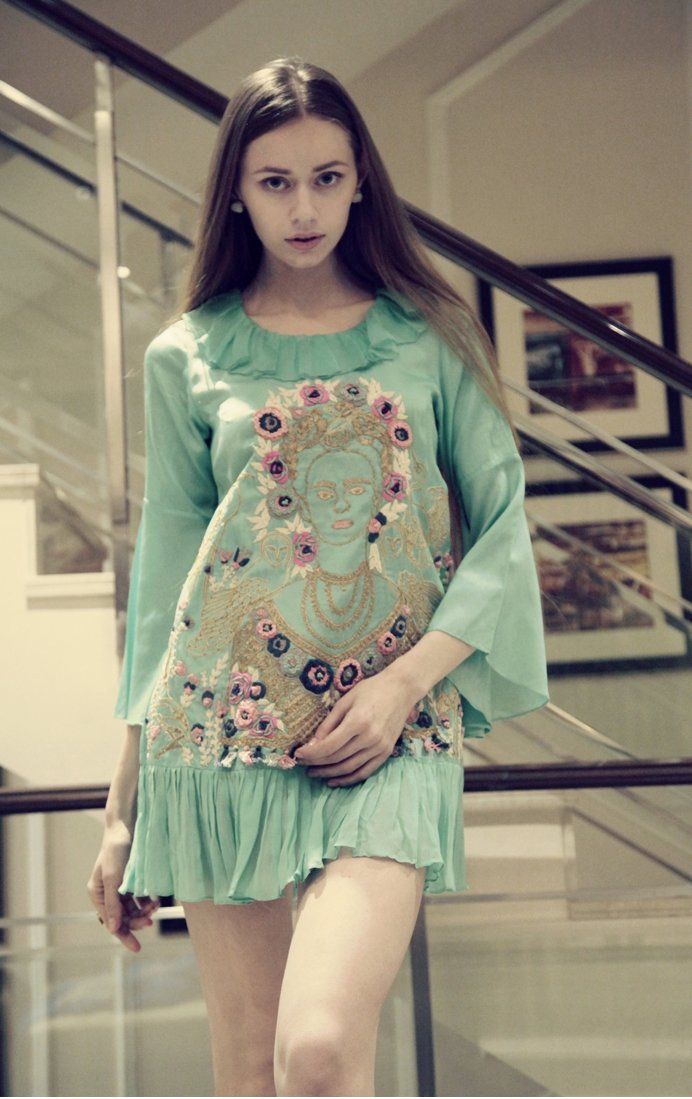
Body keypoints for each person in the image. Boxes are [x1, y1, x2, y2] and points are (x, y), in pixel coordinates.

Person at [88, 58, 548, 1097]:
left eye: (327, 178)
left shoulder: (430, 337)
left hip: (388, 733)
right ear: (236, 194)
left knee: (319, 1051)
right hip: (217, 732)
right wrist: (121, 807)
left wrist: (403, 686)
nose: (304, 208)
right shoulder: (184, 356)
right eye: (276, 182)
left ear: (360, 183)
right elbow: (166, 589)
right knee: (252, 1071)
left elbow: (502, 528)